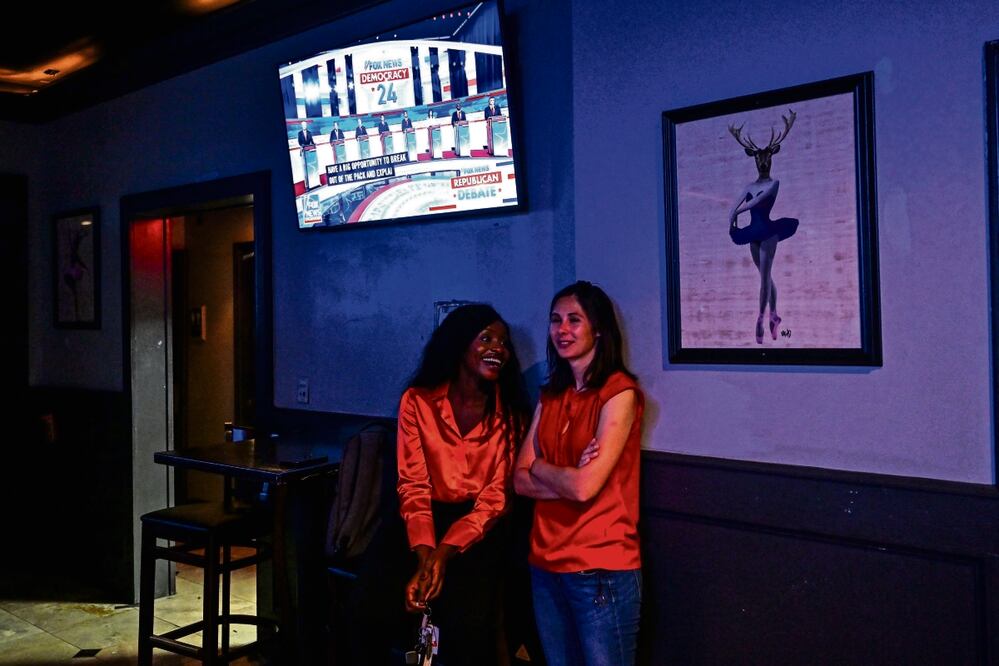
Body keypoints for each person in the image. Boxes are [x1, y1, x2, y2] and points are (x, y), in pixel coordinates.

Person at [514, 280, 644, 666]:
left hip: (599, 565)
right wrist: (567, 477)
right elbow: (519, 479)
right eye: (555, 320)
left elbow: (585, 489)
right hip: (545, 562)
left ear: (598, 328)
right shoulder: (551, 394)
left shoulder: (619, 392)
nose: (562, 330)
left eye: (575, 320)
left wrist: (542, 468)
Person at [397, 304, 531, 666]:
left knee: (468, 619)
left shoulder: (511, 416)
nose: (498, 348)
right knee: (370, 604)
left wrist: (443, 555)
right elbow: (413, 484)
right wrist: (425, 556)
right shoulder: (418, 401)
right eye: (486, 338)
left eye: (503, 342)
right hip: (420, 517)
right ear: (459, 344)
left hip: (479, 526)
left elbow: (495, 500)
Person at [727, 109, 799, 344]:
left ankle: (760, 319)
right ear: (754, 159)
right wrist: (731, 219)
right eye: (759, 158)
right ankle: (775, 315)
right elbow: (736, 204)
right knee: (765, 277)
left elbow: (755, 202)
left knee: (764, 278)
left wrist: (738, 213)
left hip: (767, 232)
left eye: (766, 157)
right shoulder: (749, 185)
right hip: (754, 233)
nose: (763, 161)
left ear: (771, 157)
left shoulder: (774, 183)